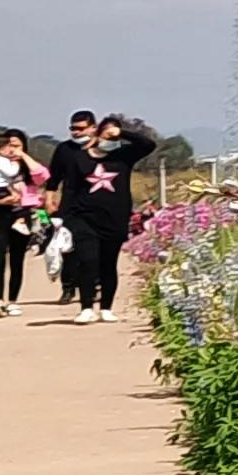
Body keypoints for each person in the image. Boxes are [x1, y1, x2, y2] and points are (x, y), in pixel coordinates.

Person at [62, 114, 144, 322]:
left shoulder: (123, 156)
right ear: (97, 134)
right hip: (84, 219)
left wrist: (121, 133)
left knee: (108, 264)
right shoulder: (79, 158)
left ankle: (106, 307)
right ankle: (86, 307)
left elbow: (148, 144)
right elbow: (70, 189)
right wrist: (65, 218)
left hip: (114, 219)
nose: (110, 139)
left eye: (113, 136)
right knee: (88, 261)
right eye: (107, 134)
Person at [0, 127, 47, 314]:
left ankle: (13, 300)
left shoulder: (24, 168)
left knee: (17, 259)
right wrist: (0, 200)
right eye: (9, 146)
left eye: (16, 146)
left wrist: (22, 156)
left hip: (22, 214)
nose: (12, 150)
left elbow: (43, 176)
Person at [42, 109, 99, 304]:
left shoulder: (102, 148)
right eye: (73, 128)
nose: (76, 132)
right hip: (70, 205)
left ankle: (93, 287)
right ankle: (68, 287)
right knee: (68, 247)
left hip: (97, 204)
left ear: (93, 128)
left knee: (95, 249)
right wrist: (49, 200)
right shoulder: (65, 149)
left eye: (81, 128)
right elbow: (54, 178)